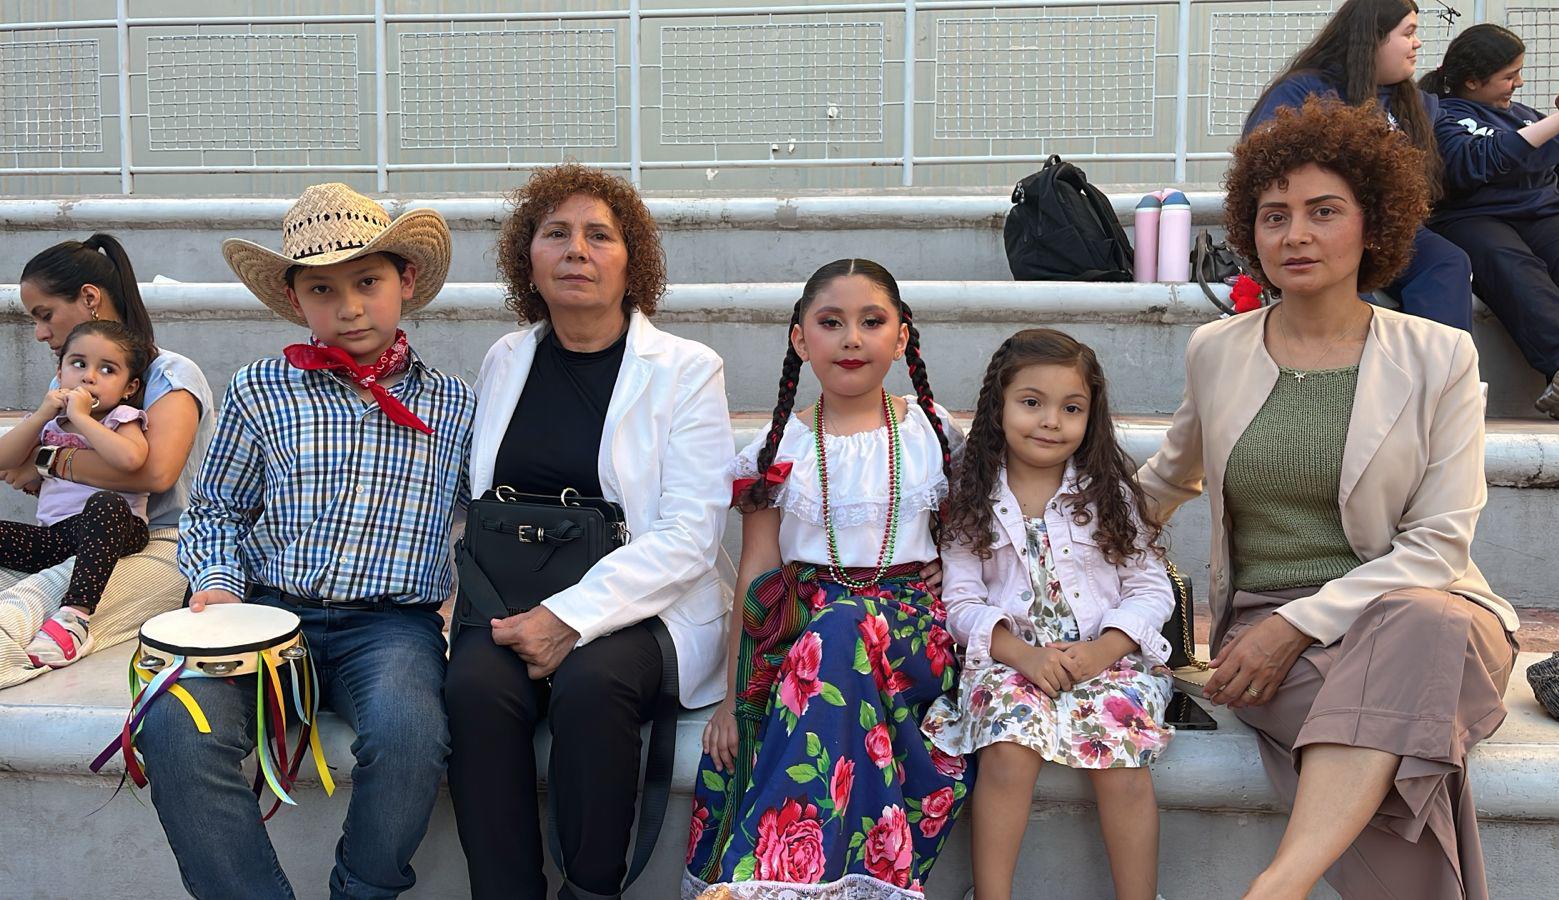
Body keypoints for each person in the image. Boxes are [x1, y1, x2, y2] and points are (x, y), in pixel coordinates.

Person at [1141, 96, 1518, 899]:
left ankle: (1278, 885)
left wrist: (1297, 625)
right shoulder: (1216, 350)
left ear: (1373, 224)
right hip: (1268, 633)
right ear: (1251, 232)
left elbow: (1439, 546)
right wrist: (1037, 532)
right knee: (1404, 735)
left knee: (1422, 626)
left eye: (1323, 212)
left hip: (1424, 611)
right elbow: (1167, 480)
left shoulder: (1440, 355)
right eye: (1274, 216)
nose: (1296, 235)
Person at [137, 183, 473, 900]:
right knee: (173, 726)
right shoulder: (261, 389)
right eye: (323, 289)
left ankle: (361, 889)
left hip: (391, 627)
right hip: (265, 617)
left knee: (411, 736)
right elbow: (216, 507)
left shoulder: (457, 405)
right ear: (295, 300)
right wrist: (218, 585)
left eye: (368, 282)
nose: (349, 306)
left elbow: (484, 526)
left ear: (406, 282)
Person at [447, 162, 736, 900]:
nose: (577, 249)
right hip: (508, 594)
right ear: (528, 259)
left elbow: (690, 534)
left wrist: (568, 617)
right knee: (475, 690)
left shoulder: (687, 370)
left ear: (631, 261)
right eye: (556, 233)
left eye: (599, 235)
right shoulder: (506, 358)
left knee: (591, 685)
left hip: (643, 606)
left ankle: (591, 889)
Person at [686, 259, 970, 900]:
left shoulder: (931, 431)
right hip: (803, 629)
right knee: (834, 636)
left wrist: (948, 567)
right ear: (800, 338)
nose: (852, 339)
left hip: (910, 632)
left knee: (842, 629)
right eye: (831, 322)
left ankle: (767, 885)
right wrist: (732, 700)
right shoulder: (777, 447)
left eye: (872, 322)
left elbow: (970, 537)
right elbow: (758, 574)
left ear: (901, 338)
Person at [922, 328, 1174, 900]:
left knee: (1123, 760)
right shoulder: (971, 499)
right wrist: (1023, 656)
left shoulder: (1109, 494)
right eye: (1032, 402)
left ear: (1091, 416)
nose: (1051, 421)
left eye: (1071, 408)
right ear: (999, 406)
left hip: (1107, 659)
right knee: (1007, 751)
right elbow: (960, 602)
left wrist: (1104, 650)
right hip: (1009, 659)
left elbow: (1150, 588)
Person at [2, 234, 213, 689]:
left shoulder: (170, 374)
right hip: (72, 534)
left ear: (89, 298)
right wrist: (40, 469)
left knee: (21, 609)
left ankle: (70, 623)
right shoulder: (67, 383)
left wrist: (46, 461)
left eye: (45, 315)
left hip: (162, 541)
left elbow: (154, 473)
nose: (39, 333)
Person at [1245, 0, 1474, 331]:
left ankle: (1438, 360)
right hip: (1324, 224)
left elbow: (1469, 154)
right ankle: (1362, 359)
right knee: (1342, 284)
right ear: (1373, 38)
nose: (1417, 43)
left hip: (1387, 228)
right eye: (1408, 33)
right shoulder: (1304, 91)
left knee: (1447, 261)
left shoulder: (1415, 102)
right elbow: (1262, 162)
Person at [1420, 24, 1559, 418]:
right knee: (1510, 261)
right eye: (1509, 75)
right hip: (1472, 217)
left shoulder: (1522, 115)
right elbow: (1484, 161)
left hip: (1540, 214)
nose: (1518, 83)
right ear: (1472, 81)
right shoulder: (1444, 115)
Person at [0, 321, 155, 666]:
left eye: (107, 370)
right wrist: (43, 414)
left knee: (106, 502)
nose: (89, 377)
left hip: (115, 529)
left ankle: (75, 618)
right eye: (79, 364)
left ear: (129, 388)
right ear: (59, 372)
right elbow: (4, 459)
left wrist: (82, 418)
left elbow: (131, 459)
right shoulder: (49, 422)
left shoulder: (122, 417)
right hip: (57, 536)